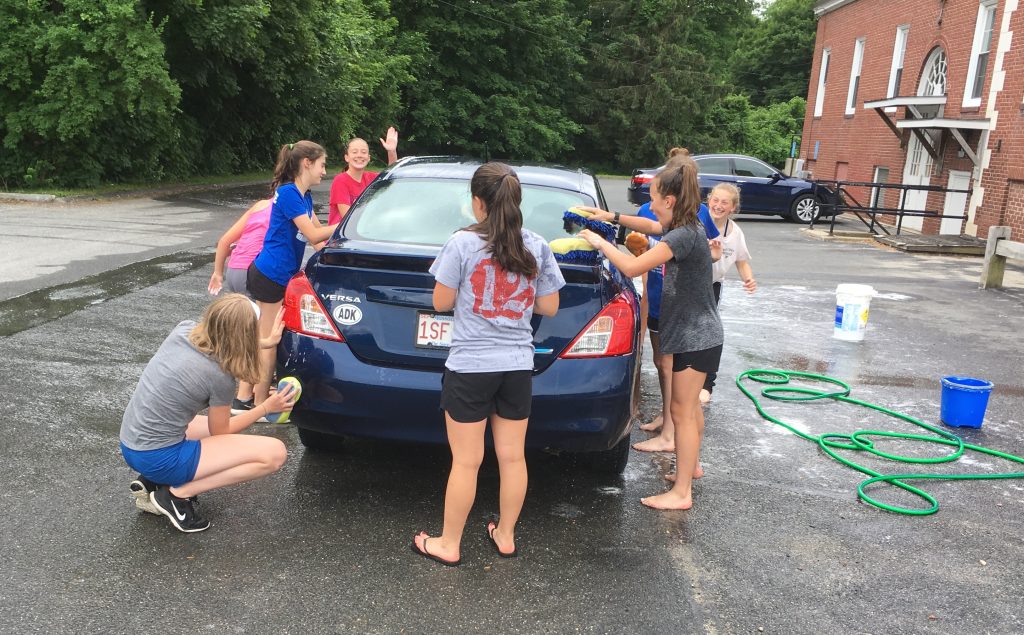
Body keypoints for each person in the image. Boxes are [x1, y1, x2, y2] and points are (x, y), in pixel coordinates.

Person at [411, 162, 565, 566]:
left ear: (478, 202)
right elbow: (550, 305)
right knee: (513, 457)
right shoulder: (536, 245)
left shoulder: (461, 244)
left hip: (471, 366)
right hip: (516, 365)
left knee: (466, 460)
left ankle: (449, 543)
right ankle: (506, 535)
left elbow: (441, 302)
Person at [578, 155, 723, 511]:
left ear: (669, 201)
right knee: (687, 410)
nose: (651, 206)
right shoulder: (685, 228)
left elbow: (629, 264)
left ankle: (682, 493)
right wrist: (610, 217)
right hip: (698, 334)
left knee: (683, 412)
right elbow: (648, 226)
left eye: (655, 199)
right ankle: (692, 470)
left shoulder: (684, 237)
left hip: (696, 336)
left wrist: (600, 242)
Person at [119, 294, 298, 532]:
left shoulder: (183, 331)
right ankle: (176, 495)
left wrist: (266, 342)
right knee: (274, 454)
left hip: (132, 443)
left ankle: (152, 479)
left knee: (194, 422)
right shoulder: (219, 375)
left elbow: (226, 339)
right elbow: (221, 431)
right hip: (159, 456)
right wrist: (265, 407)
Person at [248, 141, 339, 407]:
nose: (324, 172)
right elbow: (312, 234)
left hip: (279, 274)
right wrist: (345, 224)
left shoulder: (304, 196)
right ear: (306, 163)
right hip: (270, 274)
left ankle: (253, 396)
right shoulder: (288, 193)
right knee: (269, 341)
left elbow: (319, 240)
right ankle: (260, 403)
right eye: (322, 165)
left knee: (270, 338)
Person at [207, 198, 273, 413]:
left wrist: (218, 272)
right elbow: (316, 239)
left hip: (235, 269)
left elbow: (225, 240)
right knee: (258, 333)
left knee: (247, 330)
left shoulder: (261, 205)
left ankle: (245, 390)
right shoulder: (295, 207)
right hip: (254, 272)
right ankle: (244, 396)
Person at [700, 183, 756, 404]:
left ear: (733, 207)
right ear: (708, 201)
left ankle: (707, 385)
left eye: (725, 202)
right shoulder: (697, 224)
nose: (718, 205)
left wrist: (748, 279)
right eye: (715, 200)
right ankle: (684, 381)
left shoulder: (735, 232)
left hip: (712, 285)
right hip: (690, 283)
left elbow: (742, 262)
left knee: (712, 333)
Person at [327, 127, 399, 225]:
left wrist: (391, 151)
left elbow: (391, 176)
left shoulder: (371, 178)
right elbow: (347, 218)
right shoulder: (340, 180)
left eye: (364, 152)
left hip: (365, 231)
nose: (359, 155)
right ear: (346, 157)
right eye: (354, 152)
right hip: (344, 236)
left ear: (369, 158)